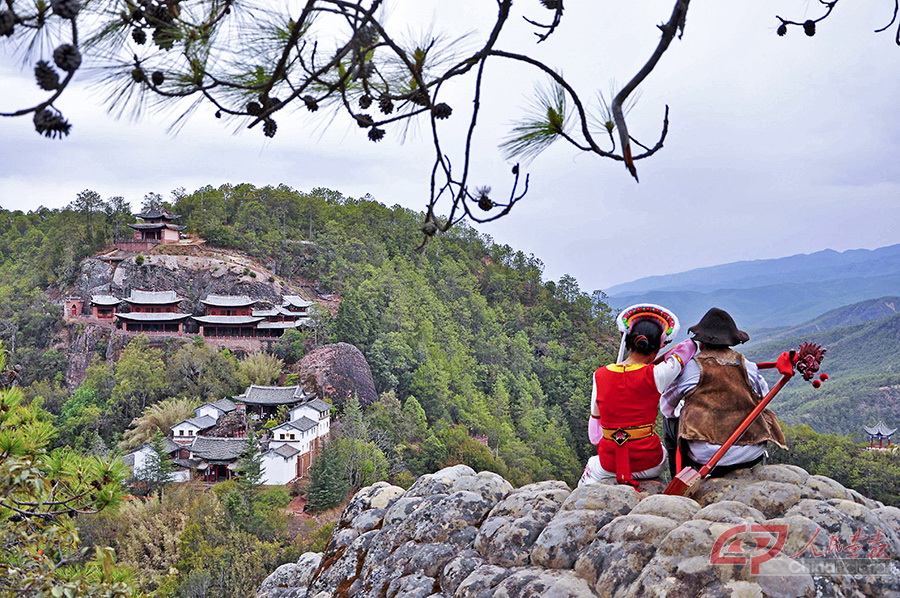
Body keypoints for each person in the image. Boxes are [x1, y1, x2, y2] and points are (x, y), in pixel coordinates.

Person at [580, 304, 698, 488]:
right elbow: (688, 348)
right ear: (657, 347)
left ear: (627, 342)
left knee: (592, 464)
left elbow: (595, 426)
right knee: (662, 449)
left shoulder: (600, 375)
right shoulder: (657, 374)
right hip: (650, 462)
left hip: (609, 463)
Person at [660, 307, 787, 477]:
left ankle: (679, 475)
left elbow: (666, 407)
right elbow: (763, 398)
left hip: (705, 456)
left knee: (669, 420)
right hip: (750, 453)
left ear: (701, 342)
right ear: (731, 342)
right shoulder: (749, 366)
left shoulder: (690, 369)